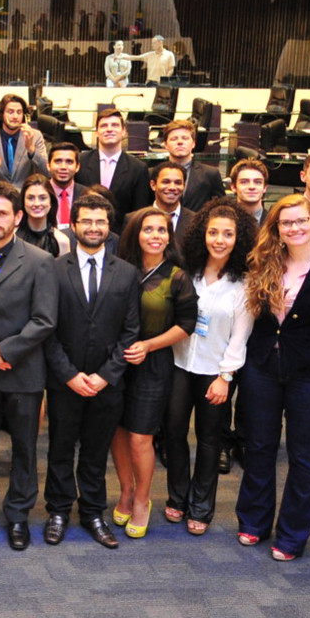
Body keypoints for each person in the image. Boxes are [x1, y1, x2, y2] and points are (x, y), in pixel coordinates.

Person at [233, 195, 310, 561]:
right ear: (277, 229)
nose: (295, 228)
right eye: (286, 223)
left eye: (302, 220)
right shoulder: (265, 263)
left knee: (304, 458)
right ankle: (254, 521)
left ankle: (291, 536)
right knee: (259, 447)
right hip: (262, 370)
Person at [41, 191, 139, 548]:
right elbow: (46, 329)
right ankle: (57, 511)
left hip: (107, 383)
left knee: (96, 453)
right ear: (74, 225)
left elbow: (131, 331)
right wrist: (69, 375)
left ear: (109, 226)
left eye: (100, 221)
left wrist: (105, 375)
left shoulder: (126, 273)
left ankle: (93, 512)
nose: (94, 227)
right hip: (65, 380)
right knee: (60, 449)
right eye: (87, 221)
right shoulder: (53, 269)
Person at [0, 181, 59, 547]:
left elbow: (44, 320)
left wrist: (4, 351)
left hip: (22, 370)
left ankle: (18, 514)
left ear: (18, 217)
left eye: (3, 213)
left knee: (24, 447)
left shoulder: (39, 261)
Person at [166, 199, 256, 535]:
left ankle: (201, 507)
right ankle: (177, 497)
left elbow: (240, 337)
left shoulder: (244, 284)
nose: (219, 240)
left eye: (227, 234)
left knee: (209, 441)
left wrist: (225, 377)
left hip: (215, 372)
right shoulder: (186, 273)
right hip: (178, 364)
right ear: (201, 235)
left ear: (238, 238)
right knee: (173, 433)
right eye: (213, 232)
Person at [109, 205, 198, 539]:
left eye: (162, 230)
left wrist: (149, 345)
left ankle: (142, 500)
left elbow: (187, 324)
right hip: (117, 363)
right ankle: (126, 491)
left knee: (140, 436)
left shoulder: (177, 276)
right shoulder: (121, 270)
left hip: (154, 364)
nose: (156, 236)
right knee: (117, 432)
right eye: (148, 229)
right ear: (136, 234)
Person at [86, 109, 150, 217]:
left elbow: (139, 211)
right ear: (96, 132)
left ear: (124, 131)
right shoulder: (81, 162)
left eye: (115, 125)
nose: (109, 129)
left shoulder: (138, 168)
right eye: (104, 126)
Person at [0, 93, 48, 185]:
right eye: (10, 112)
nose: (15, 116)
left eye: (19, 112)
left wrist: (31, 149)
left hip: (25, 192)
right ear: (1, 114)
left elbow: (47, 172)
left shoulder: (35, 136)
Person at [154, 117, 223, 211]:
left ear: (193, 143)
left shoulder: (210, 174)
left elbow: (221, 209)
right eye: (174, 139)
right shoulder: (153, 173)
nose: (180, 142)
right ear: (165, 145)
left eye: (185, 138)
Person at [16, 176, 69, 255]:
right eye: (30, 198)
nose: (36, 203)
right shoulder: (12, 237)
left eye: (42, 198)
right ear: (23, 202)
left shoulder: (61, 241)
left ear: (51, 202)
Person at [147, 162, 190, 246]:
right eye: (166, 182)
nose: (172, 187)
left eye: (178, 183)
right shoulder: (135, 219)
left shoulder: (195, 221)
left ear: (184, 186)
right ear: (153, 185)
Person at [43, 145, 81, 231]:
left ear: (77, 167)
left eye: (69, 162)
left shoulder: (86, 194)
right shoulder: (38, 194)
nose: (63, 167)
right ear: (48, 165)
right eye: (58, 161)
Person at [229, 158, 270, 225]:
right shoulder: (222, 221)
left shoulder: (274, 222)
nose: (251, 187)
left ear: (265, 188)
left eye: (258, 182)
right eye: (244, 182)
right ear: (233, 187)